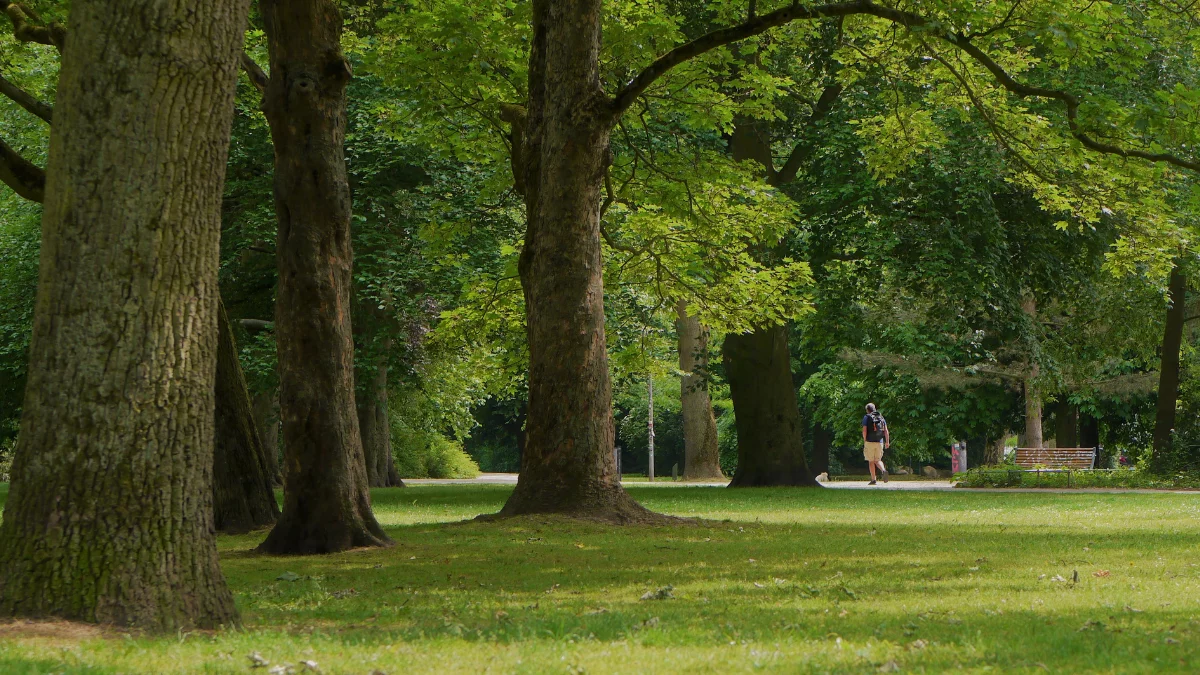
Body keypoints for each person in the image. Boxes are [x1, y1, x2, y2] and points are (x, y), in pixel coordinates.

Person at [862, 403, 890, 485]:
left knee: (871, 461)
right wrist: (887, 442)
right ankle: (883, 470)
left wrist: (865, 439)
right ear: (874, 409)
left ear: (867, 410)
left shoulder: (866, 417)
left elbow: (864, 430)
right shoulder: (881, 417)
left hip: (869, 442)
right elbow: (886, 430)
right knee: (878, 460)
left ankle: (873, 480)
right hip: (879, 441)